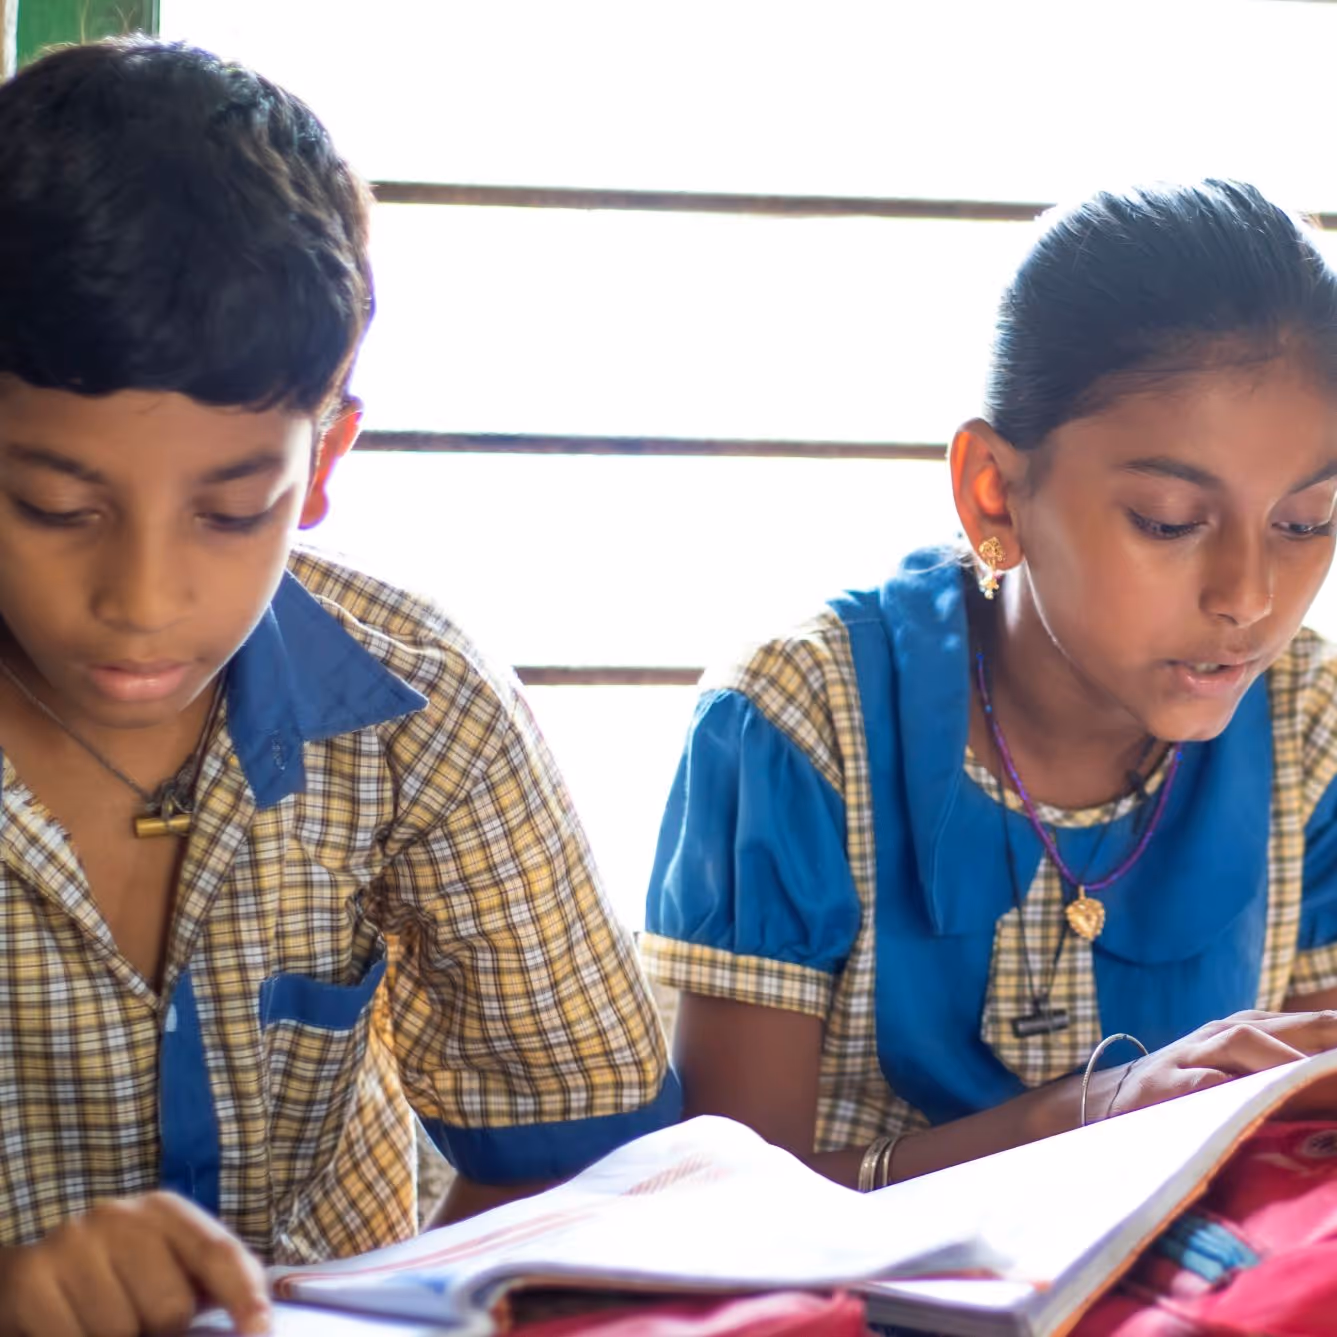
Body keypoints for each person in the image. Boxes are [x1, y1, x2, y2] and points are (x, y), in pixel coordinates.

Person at [0, 37, 678, 1337]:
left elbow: (588, 1178)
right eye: (56, 505)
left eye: (233, 508)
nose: (143, 598)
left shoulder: (418, 712)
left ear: (319, 468)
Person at [642, 178, 1337, 1196]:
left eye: (1303, 522)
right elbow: (725, 1213)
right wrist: (1081, 1116)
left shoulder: (1305, 727)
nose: (1244, 596)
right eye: (1164, 519)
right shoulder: (800, 718)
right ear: (991, 490)